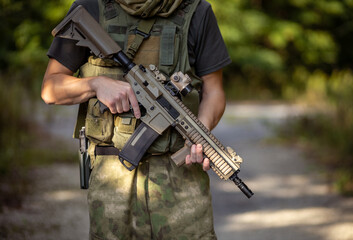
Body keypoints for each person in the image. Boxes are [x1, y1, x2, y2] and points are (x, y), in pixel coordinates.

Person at [41, 0, 231, 239]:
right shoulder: (91, 7)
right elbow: (50, 89)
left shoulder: (196, 11)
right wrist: (95, 84)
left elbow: (214, 91)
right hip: (113, 178)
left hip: (182, 182)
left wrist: (199, 134)